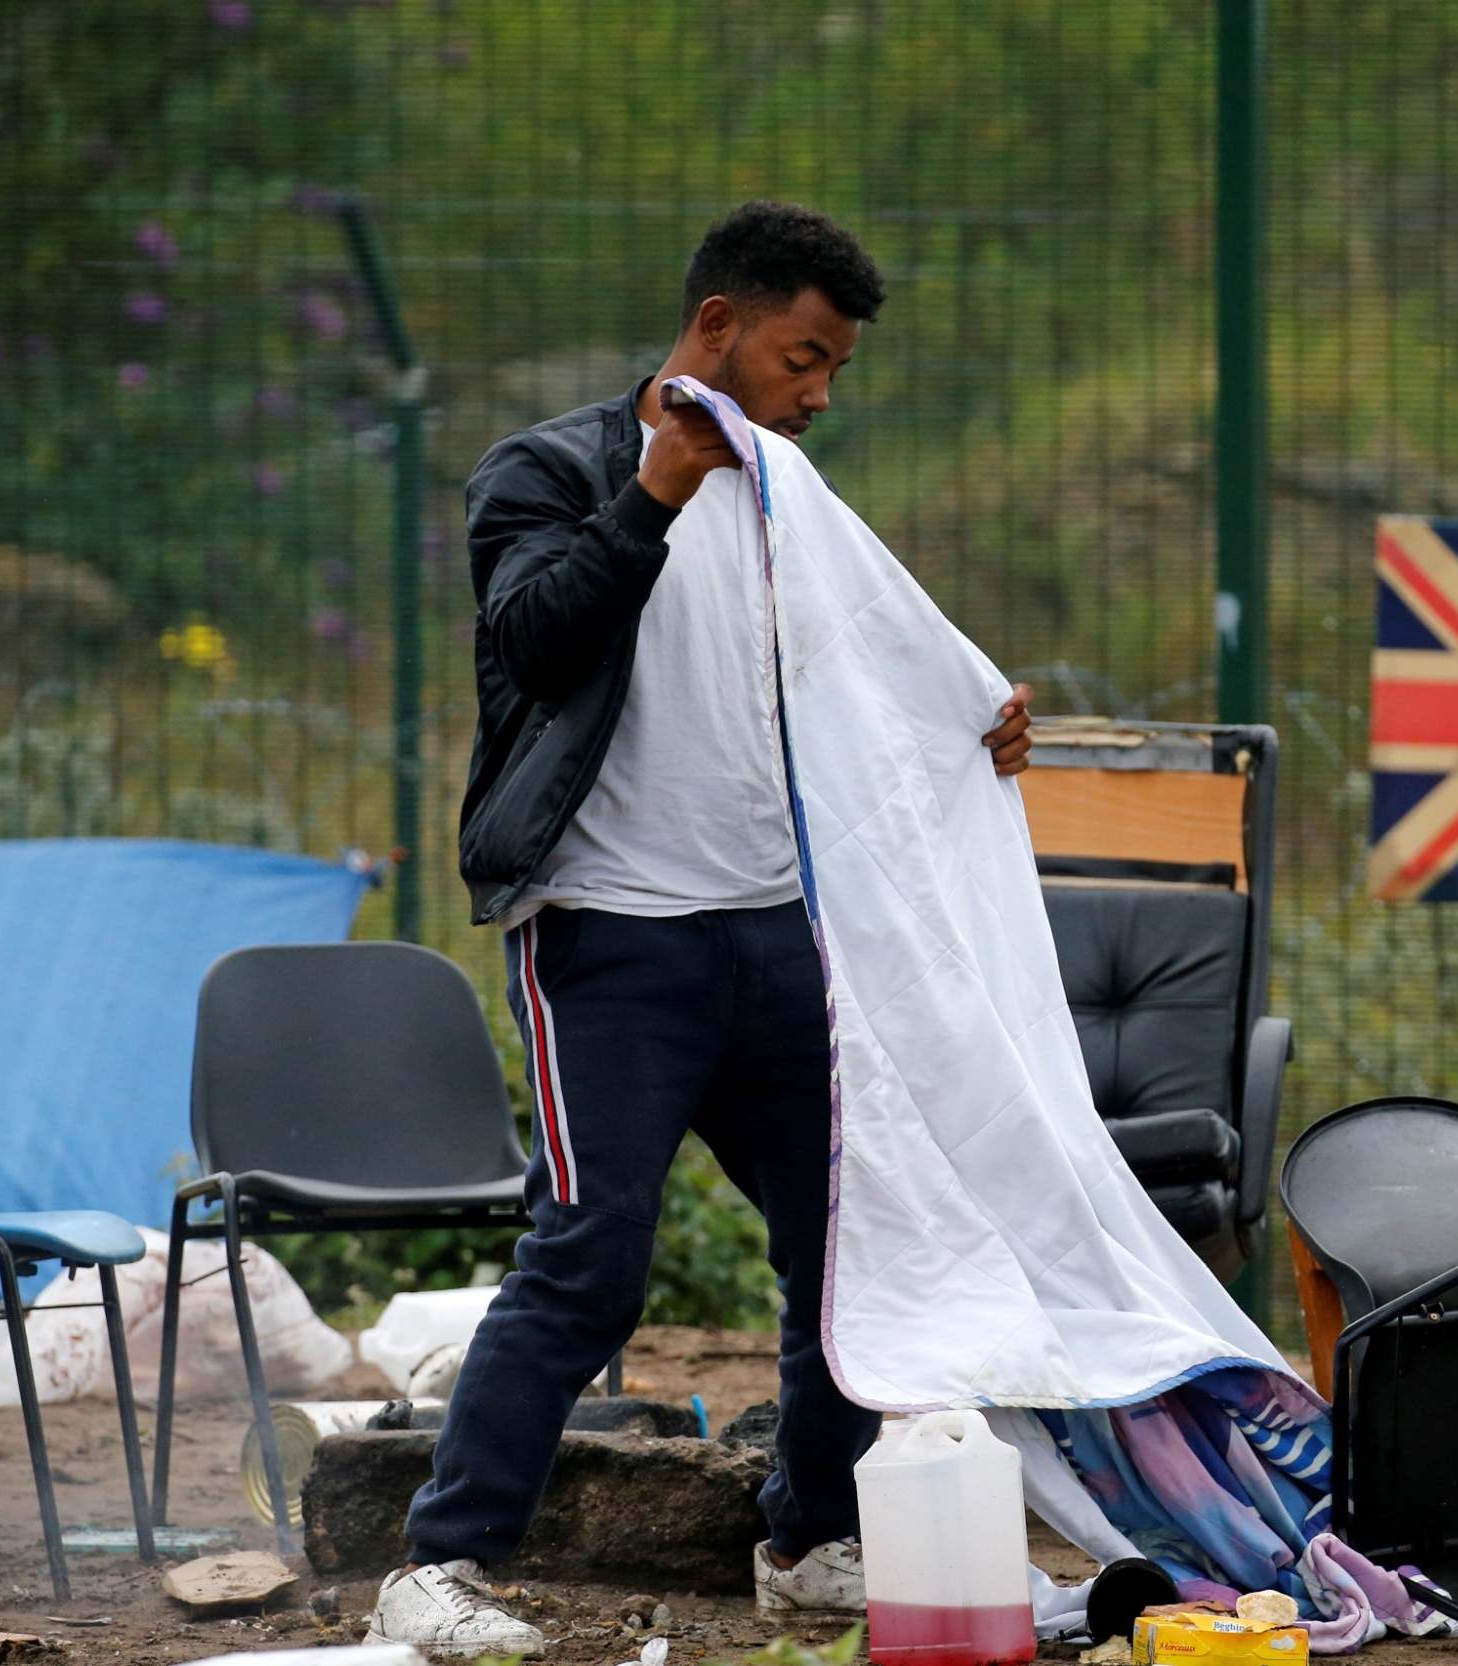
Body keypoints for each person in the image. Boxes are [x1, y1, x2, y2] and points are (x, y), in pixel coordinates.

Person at [367, 202, 1036, 1659]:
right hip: (610, 933)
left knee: (848, 1246)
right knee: (592, 1255)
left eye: (832, 372)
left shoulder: (794, 495)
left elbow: (860, 672)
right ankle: (440, 1566)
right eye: (801, 357)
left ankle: (806, 1541)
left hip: (774, 934)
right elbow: (535, 643)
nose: (813, 393)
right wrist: (654, 491)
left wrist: (967, 715)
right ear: (718, 328)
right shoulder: (546, 469)